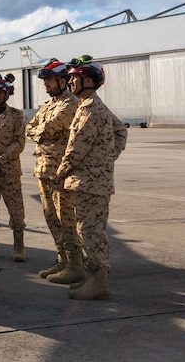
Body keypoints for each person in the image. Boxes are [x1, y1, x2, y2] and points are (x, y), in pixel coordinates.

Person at [57, 56, 127, 300]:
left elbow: (76, 147)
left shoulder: (90, 109)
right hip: (91, 180)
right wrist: (106, 158)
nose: (71, 81)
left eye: (75, 77)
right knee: (88, 228)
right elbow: (119, 131)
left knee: (90, 231)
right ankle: (94, 280)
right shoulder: (88, 105)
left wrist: (61, 171)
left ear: (88, 80)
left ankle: (98, 284)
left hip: (90, 182)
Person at [25, 59, 83, 284]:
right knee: (51, 218)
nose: (45, 84)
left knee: (66, 219)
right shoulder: (48, 104)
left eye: (48, 80)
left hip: (61, 172)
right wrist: (40, 131)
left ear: (62, 80)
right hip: (43, 170)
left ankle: (76, 265)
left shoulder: (71, 104)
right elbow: (31, 128)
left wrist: (40, 131)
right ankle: (63, 260)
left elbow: (49, 127)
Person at [0, 72, 27, 262]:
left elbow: (19, 143)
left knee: (16, 210)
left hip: (8, 172)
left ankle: (18, 246)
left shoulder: (17, 115)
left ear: (7, 94)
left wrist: (0, 160)